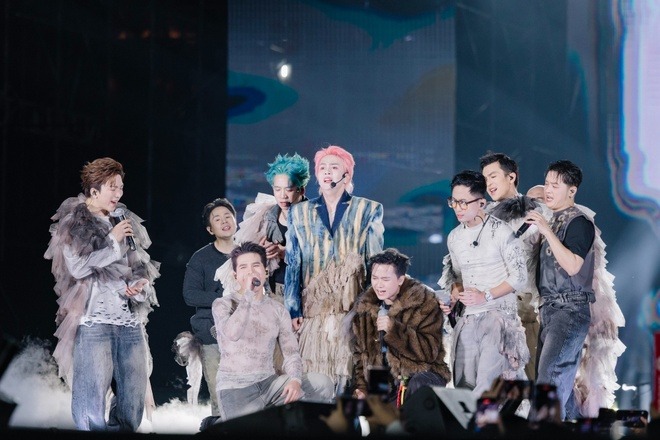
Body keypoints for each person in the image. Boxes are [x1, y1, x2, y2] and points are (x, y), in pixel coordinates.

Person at [44, 157, 160, 431]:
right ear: (94, 191)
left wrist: (138, 285)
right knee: (91, 397)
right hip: (94, 319)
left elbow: (137, 264)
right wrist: (112, 240)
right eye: (112, 187)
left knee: (132, 396)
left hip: (128, 319)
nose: (119, 193)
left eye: (121, 187)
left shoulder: (123, 219)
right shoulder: (75, 222)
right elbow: (78, 267)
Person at [524, 160, 623, 420]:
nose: (548, 189)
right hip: (549, 310)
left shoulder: (579, 222)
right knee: (560, 390)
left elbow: (572, 265)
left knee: (550, 383)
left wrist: (546, 230)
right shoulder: (551, 220)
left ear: (572, 190)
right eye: (547, 183)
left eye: (555, 185)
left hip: (569, 309)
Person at [284, 144, 385, 394]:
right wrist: (292, 309)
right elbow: (293, 263)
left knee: (350, 377)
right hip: (314, 310)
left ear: (347, 175)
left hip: (350, 307)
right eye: (322, 167)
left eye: (334, 167)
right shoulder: (299, 212)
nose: (327, 171)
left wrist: (372, 307)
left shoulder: (368, 209)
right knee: (315, 377)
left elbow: (374, 262)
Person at [211, 241, 335, 421]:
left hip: (270, 385)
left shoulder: (277, 309)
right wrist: (248, 295)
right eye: (243, 267)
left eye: (256, 266)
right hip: (236, 389)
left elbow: (291, 353)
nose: (251, 272)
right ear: (235, 275)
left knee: (322, 384)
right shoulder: (222, 304)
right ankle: (216, 423)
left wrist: (295, 380)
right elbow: (232, 334)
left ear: (266, 271)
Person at [439, 170, 529, 400]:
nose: (458, 208)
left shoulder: (502, 232)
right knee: (463, 387)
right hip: (468, 319)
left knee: (487, 388)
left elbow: (520, 277)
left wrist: (486, 295)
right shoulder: (454, 237)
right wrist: (454, 295)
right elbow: (459, 277)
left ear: (481, 202)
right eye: (453, 202)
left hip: (498, 318)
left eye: (463, 202)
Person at [479, 151, 550, 381]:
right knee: (493, 385)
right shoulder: (481, 217)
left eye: (493, 176)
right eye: (485, 179)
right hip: (490, 312)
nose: (488, 183)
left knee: (533, 381)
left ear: (511, 177)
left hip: (526, 311)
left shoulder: (535, 212)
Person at [350, 248, 451, 406]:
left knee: (418, 384)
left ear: (400, 280)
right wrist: (362, 388)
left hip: (421, 373)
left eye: (385, 279)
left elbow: (429, 352)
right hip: (384, 381)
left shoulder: (424, 302)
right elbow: (361, 356)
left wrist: (394, 330)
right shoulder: (366, 308)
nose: (379, 284)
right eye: (375, 278)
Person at [182, 197, 238, 417]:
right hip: (212, 335)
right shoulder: (201, 258)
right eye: (217, 219)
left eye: (228, 216)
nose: (224, 221)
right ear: (209, 229)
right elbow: (190, 295)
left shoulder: (247, 252)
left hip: (246, 336)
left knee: (247, 396)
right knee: (220, 397)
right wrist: (224, 298)